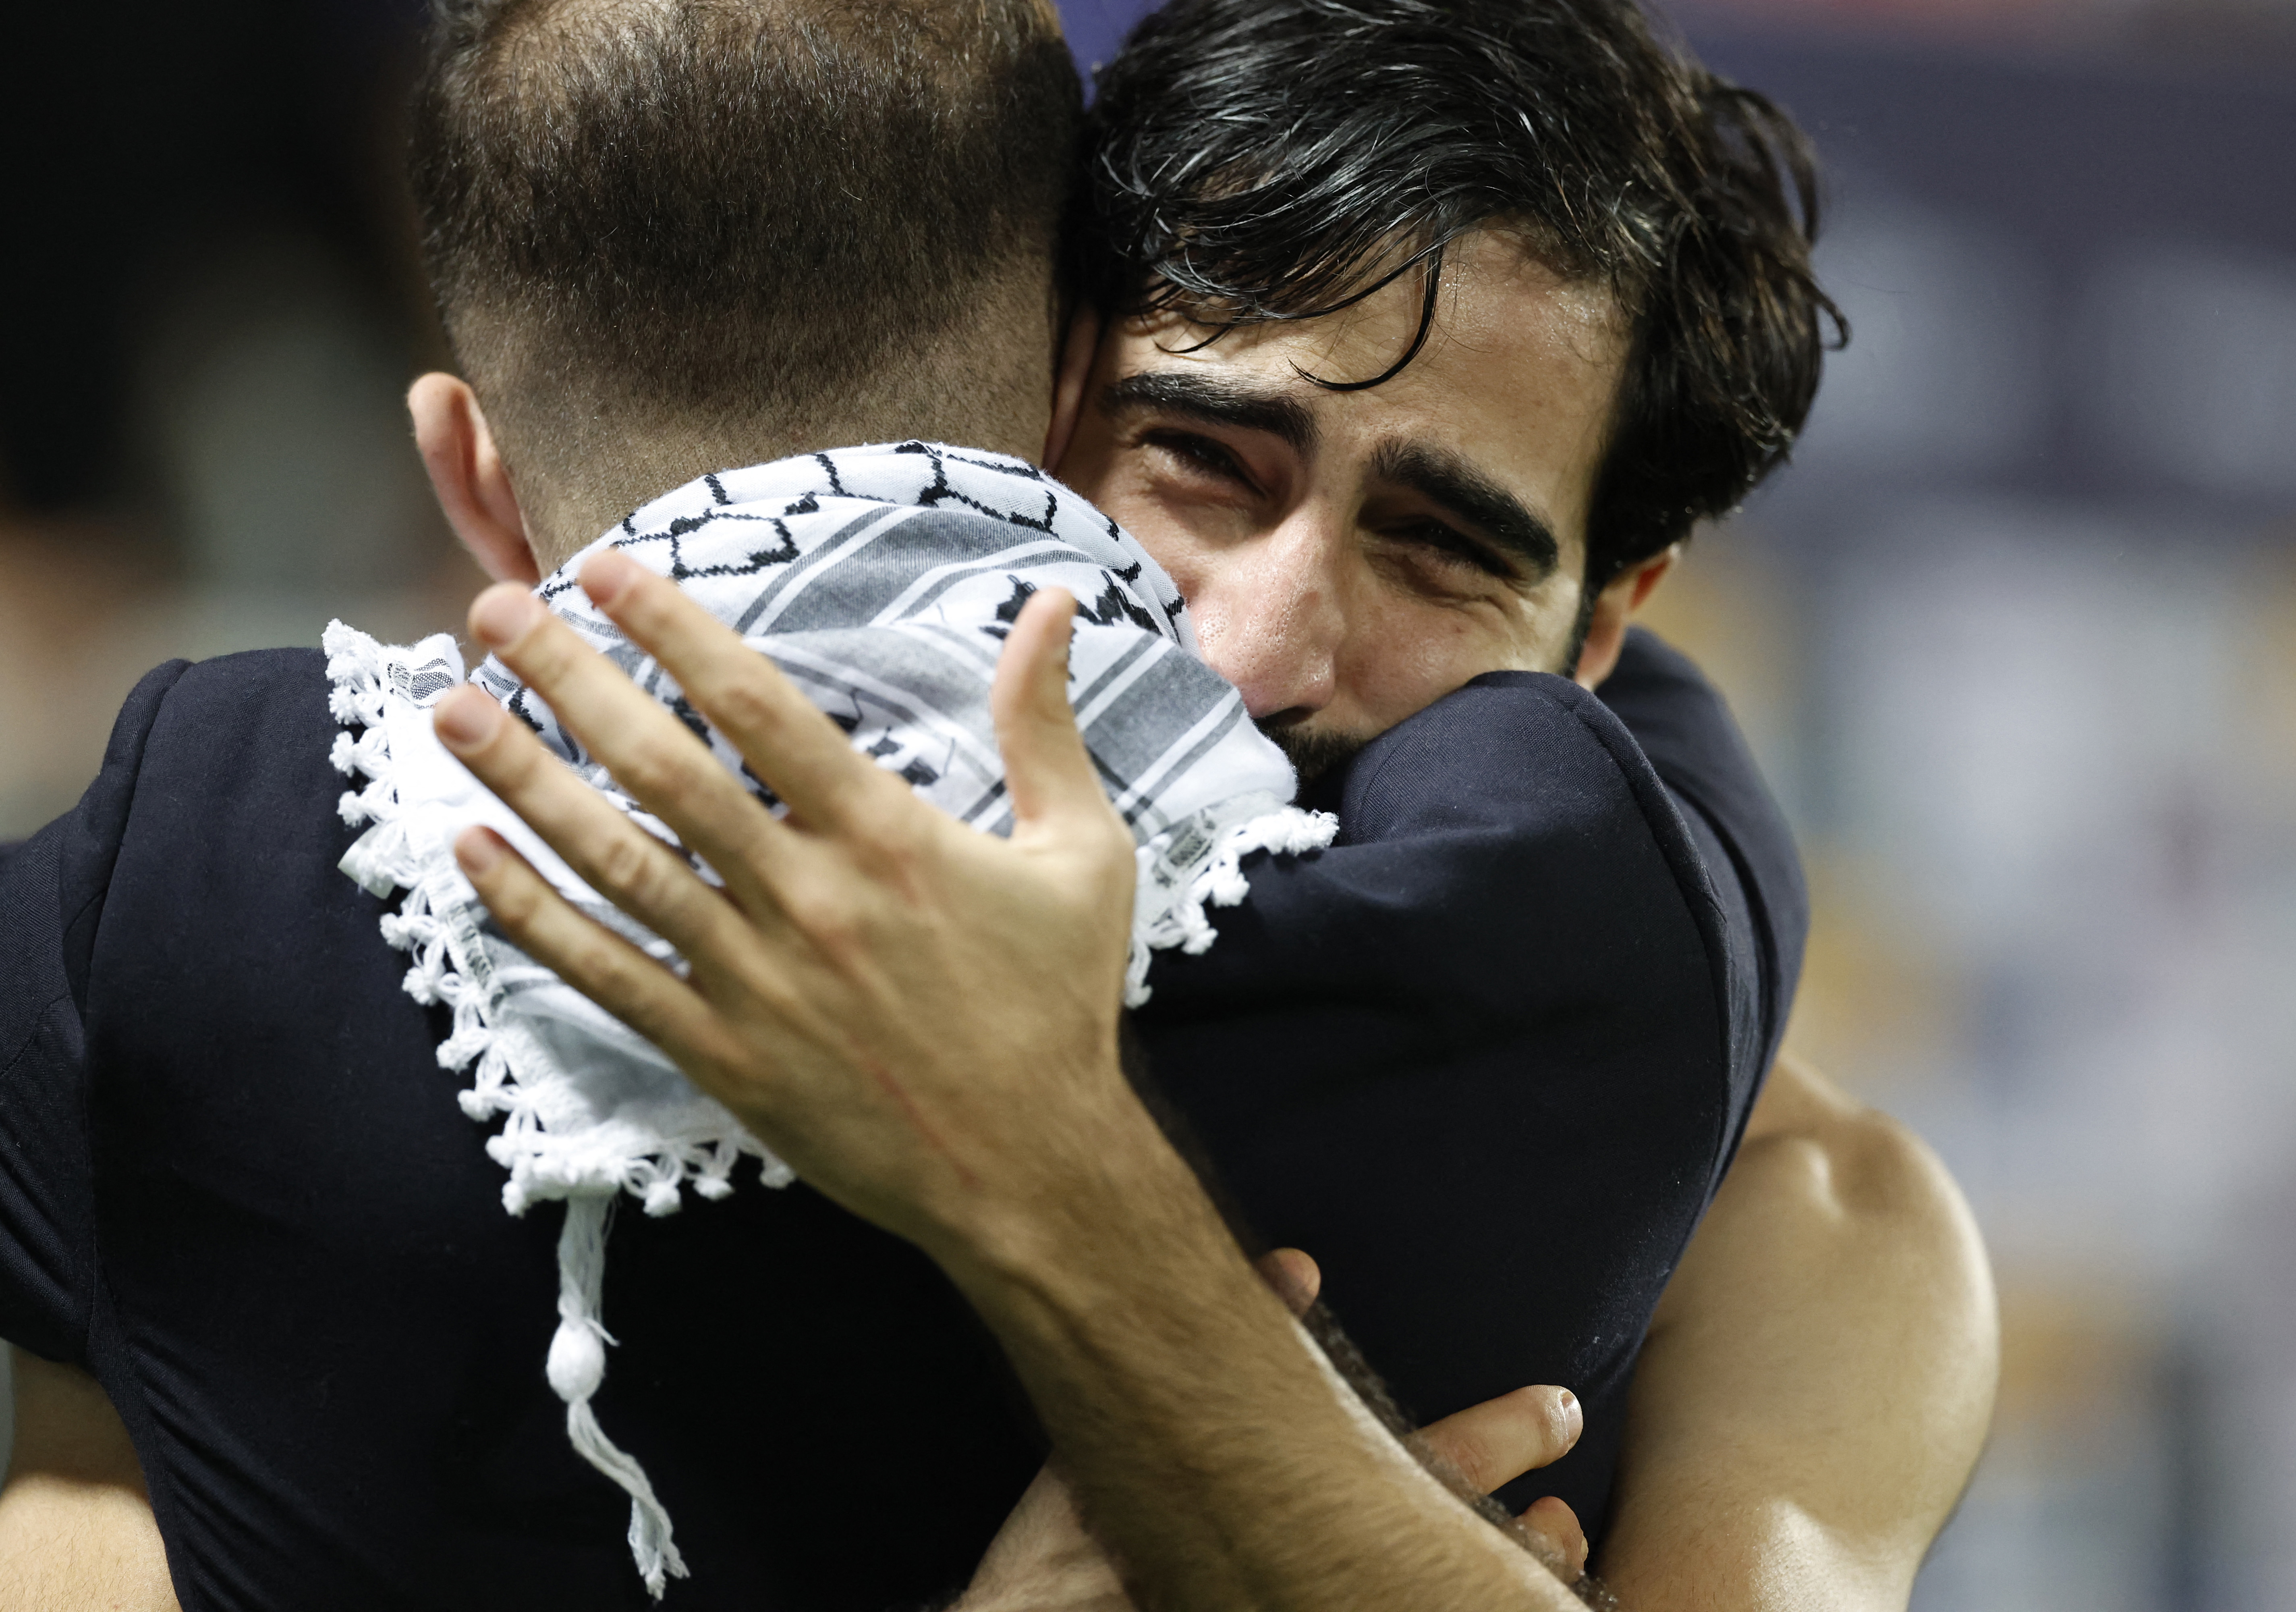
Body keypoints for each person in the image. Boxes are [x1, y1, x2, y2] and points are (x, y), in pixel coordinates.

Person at [0, 1, 1995, 1608]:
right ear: (1020, 411)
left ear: (1605, 631)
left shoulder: (1819, 1238)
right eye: (1201, 457)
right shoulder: (237, 1019)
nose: (1253, 648)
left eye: (1442, 549)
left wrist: (1046, 1169)